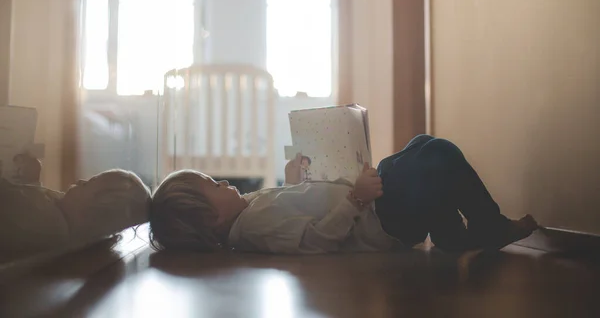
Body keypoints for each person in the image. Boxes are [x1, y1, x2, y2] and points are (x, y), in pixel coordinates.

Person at [149, 135, 538, 254]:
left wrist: (290, 181)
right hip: (379, 221)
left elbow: (291, 210)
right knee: (436, 155)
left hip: (372, 208)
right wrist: (355, 199)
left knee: (421, 146)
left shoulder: (250, 211)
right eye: (213, 187)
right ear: (211, 219)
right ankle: (488, 226)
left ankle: (451, 235)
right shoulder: (254, 228)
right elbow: (316, 239)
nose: (223, 182)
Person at [0, 154, 151, 261]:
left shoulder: (46, 222)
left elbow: (14, 202)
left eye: (87, 184)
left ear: (92, 213)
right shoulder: (62, 213)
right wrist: (31, 179)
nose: (79, 181)